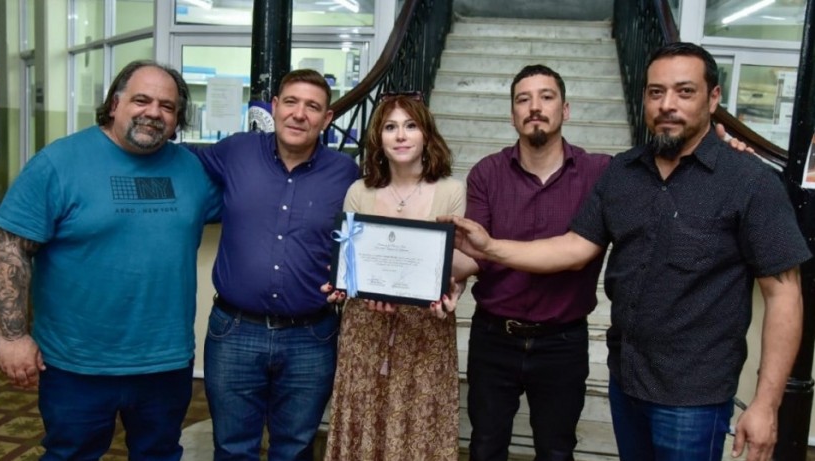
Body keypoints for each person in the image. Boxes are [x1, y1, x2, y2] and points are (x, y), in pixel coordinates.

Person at [442, 42, 809, 461]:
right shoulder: (623, 173)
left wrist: (766, 403)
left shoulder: (749, 181)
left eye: (684, 92)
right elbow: (575, 247)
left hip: (694, 394)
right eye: (656, 92)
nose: (667, 104)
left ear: (714, 98)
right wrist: (488, 248)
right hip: (628, 382)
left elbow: (784, 294)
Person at [0, 60, 222, 460]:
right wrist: (12, 336)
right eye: (141, 100)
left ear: (178, 117)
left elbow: (252, 206)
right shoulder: (58, 163)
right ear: (114, 104)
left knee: (161, 454)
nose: (153, 112)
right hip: (77, 364)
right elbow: (9, 248)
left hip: (165, 362)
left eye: (167, 106)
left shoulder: (191, 169)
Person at [187, 69, 359, 460]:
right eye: (292, 102)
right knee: (232, 447)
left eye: (313, 107)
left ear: (327, 119)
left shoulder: (346, 174)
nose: (300, 114)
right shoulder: (237, 151)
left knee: (296, 448)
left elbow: (362, 239)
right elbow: (179, 163)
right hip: (234, 331)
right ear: (276, 107)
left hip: (311, 337)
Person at [456, 64, 609, 461]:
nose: (534, 107)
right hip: (494, 338)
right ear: (512, 115)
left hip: (562, 342)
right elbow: (474, 256)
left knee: (556, 451)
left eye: (546, 97)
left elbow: (663, 162)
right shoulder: (487, 173)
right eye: (523, 100)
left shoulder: (599, 173)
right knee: (485, 447)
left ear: (566, 109)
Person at [322, 93, 465, 461]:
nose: (401, 135)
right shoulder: (358, 191)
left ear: (426, 135)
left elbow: (457, 260)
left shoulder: (452, 191)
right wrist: (341, 284)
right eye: (390, 127)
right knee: (363, 422)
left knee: (419, 428)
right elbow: (351, 264)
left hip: (424, 332)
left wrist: (455, 290)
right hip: (365, 328)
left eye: (410, 125)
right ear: (379, 140)